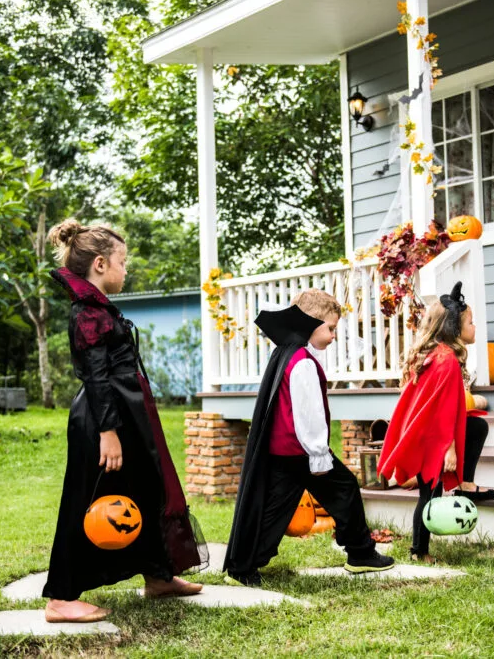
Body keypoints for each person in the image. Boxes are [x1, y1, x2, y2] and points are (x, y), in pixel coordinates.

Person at [43, 219, 205, 623]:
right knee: (85, 499)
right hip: (103, 420)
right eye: (122, 261)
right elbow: (95, 378)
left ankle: (158, 575)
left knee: (146, 491)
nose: (125, 268)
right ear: (100, 263)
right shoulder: (86, 313)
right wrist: (108, 433)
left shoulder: (100, 308)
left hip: (128, 415)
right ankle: (60, 598)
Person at [223, 289, 394, 585]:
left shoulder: (288, 352)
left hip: (285, 451)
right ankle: (360, 553)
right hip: (301, 451)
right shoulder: (301, 361)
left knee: (276, 509)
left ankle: (243, 566)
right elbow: (308, 414)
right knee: (346, 488)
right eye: (330, 328)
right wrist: (318, 455)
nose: (333, 336)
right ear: (311, 323)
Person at [378, 282, 494, 563]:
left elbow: (446, 407)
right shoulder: (446, 361)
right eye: (471, 322)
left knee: (477, 426)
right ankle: (419, 551)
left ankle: (465, 483)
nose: (475, 327)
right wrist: (450, 450)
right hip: (432, 438)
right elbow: (442, 412)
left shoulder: (438, 355)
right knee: (429, 492)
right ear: (454, 327)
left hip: (430, 431)